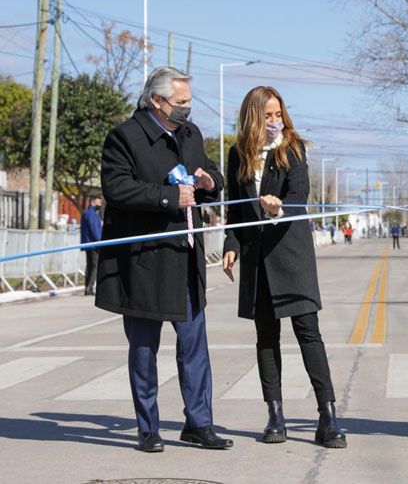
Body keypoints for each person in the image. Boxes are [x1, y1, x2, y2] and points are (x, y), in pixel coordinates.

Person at [96, 66, 232, 453]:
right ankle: (148, 428)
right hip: (143, 261)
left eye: (189, 102)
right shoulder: (126, 136)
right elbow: (117, 187)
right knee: (144, 349)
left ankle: (199, 423)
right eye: (181, 103)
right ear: (157, 101)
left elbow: (213, 175)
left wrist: (209, 183)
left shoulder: (190, 135)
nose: (187, 109)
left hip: (184, 258)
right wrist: (169, 198)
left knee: (194, 345)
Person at [222, 86, 346, 449]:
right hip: (257, 257)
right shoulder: (238, 153)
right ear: (252, 118)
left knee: (309, 332)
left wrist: (279, 209)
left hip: (291, 255)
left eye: (278, 114)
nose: (274, 121)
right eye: (267, 115)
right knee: (266, 337)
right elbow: (234, 209)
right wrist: (231, 246)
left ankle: (328, 416)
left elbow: (299, 198)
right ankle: (275, 415)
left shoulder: (292, 148)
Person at [79, 197, 103, 295]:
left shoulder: (86, 213)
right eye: (99, 202)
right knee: (94, 266)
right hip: (94, 243)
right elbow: (94, 229)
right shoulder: (92, 214)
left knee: (89, 265)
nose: (100, 204)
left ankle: (87, 287)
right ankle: (90, 287)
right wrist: (100, 241)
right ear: (93, 202)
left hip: (87, 243)